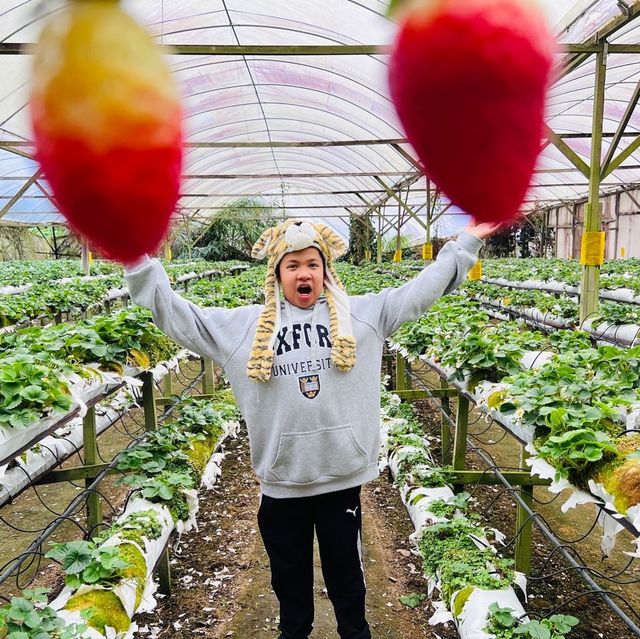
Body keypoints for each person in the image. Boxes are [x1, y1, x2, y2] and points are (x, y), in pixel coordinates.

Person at [125, 218, 495, 639]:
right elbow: (174, 313)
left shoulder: (363, 315)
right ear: (277, 273)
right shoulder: (243, 328)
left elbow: (421, 293)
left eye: (313, 264)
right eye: (293, 265)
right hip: (282, 484)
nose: (305, 273)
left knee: (349, 584)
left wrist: (466, 242)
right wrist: (137, 259)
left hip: (340, 480)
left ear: (325, 270)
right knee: (289, 589)